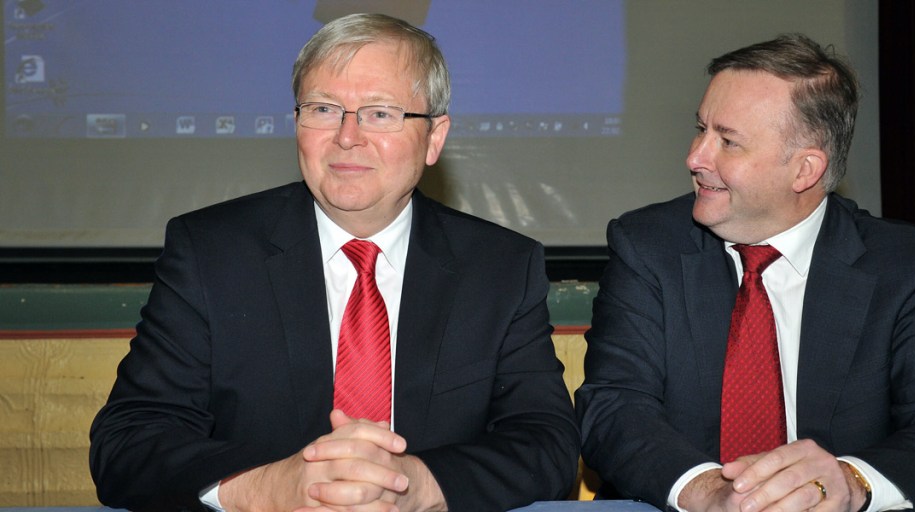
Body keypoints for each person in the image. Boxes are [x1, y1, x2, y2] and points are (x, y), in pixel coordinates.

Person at [90, 13, 579, 512]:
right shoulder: (211, 252)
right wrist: (266, 489)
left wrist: (415, 485)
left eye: (380, 113)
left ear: (434, 137)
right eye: (324, 109)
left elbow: (547, 445)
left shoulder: (500, 267)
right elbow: (129, 442)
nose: (348, 136)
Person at [575, 34, 915, 512]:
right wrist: (711, 495)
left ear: (804, 170)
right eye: (701, 129)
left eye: (727, 141)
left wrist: (849, 482)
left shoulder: (906, 265)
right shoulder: (649, 246)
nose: (695, 157)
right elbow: (614, 409)